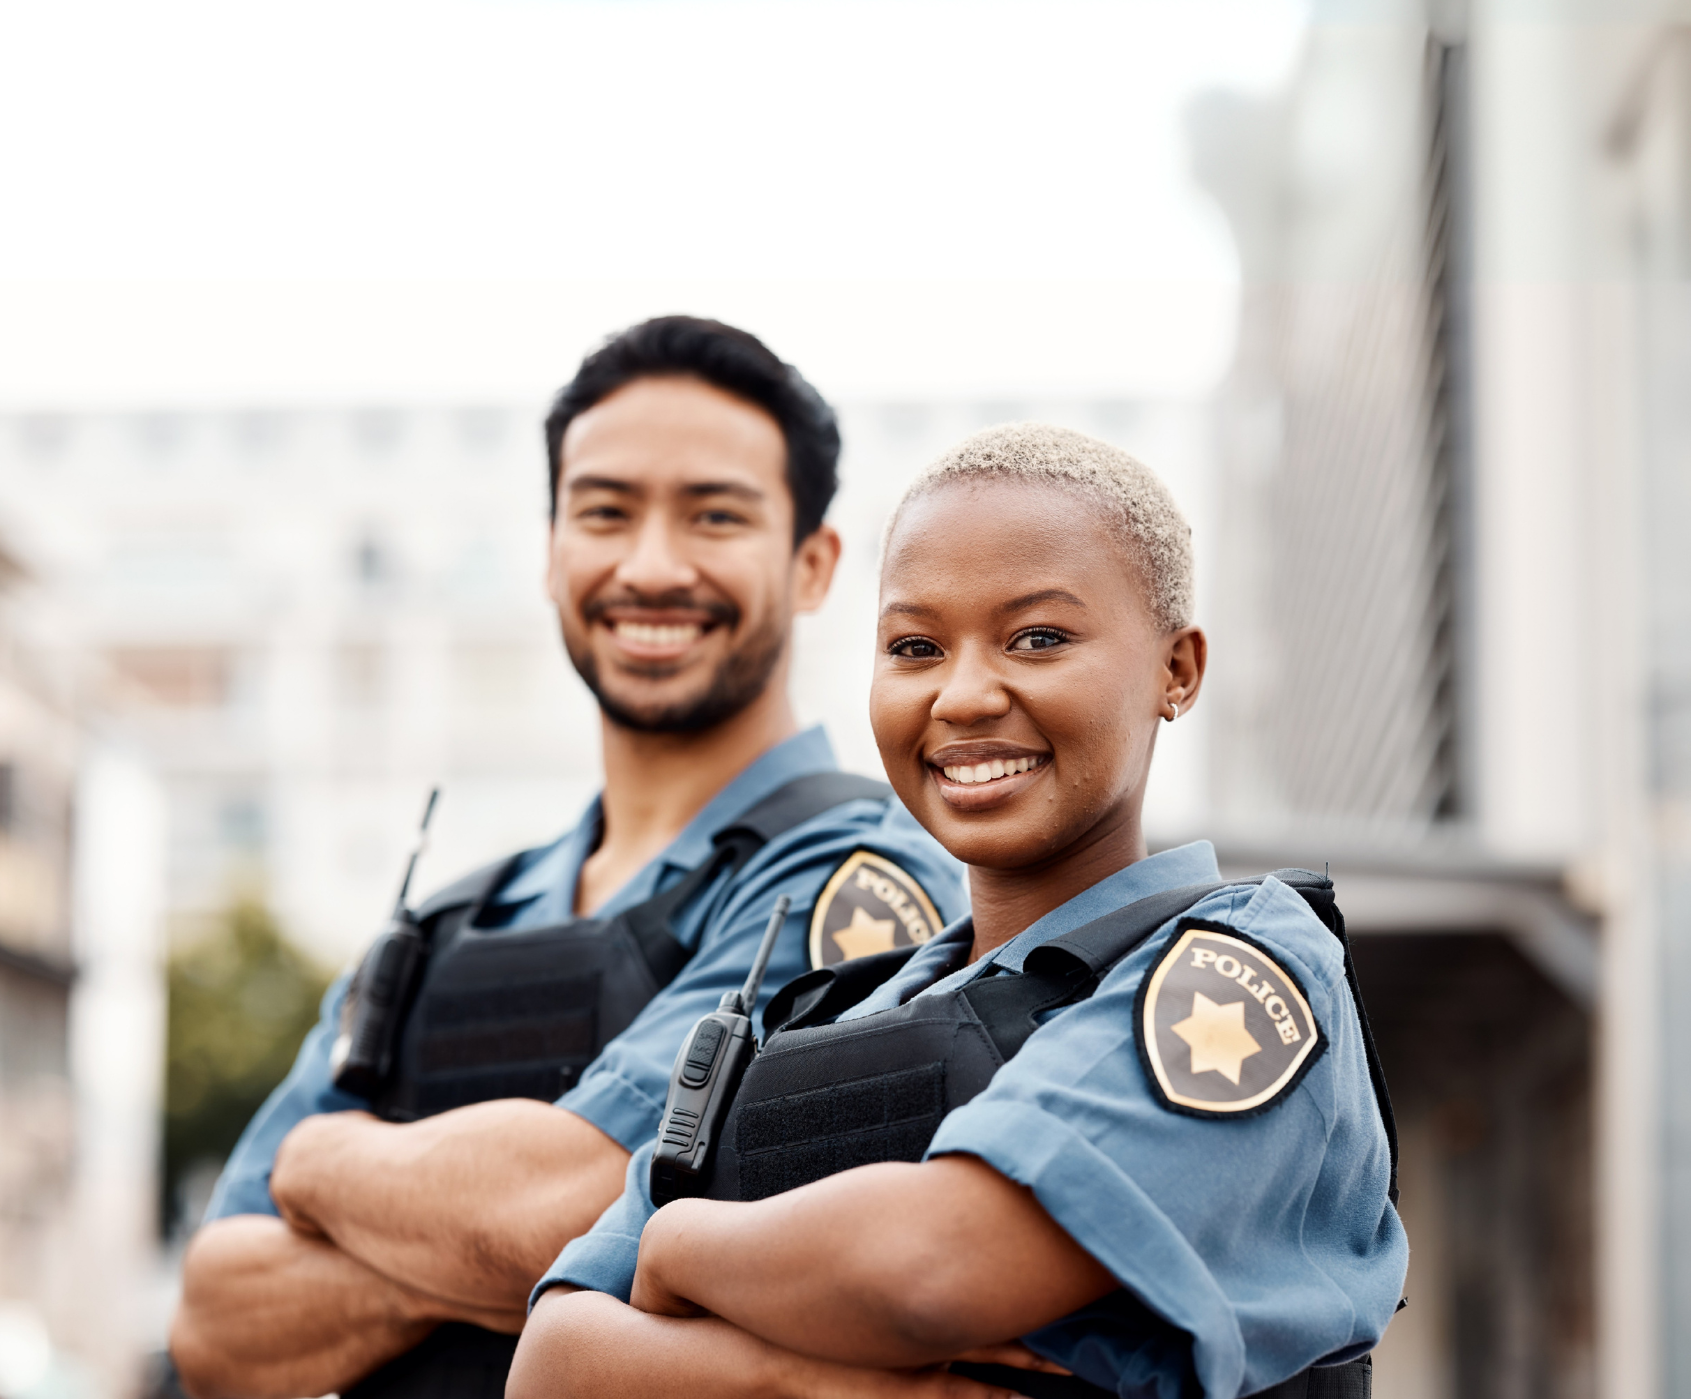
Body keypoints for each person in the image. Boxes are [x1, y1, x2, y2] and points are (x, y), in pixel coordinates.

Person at [511, 422, 1407, 1398]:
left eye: (1037, 637)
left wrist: (679, 1243)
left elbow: (934, 1266)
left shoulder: (1238, 964)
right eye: (914, 646)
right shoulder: (805, 1020)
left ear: (1175, 670)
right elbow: (552, 1359)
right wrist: (816, 1380)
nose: (964, 693)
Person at [168, 317, 965, 1399]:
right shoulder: (450, 922)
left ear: (813, 563)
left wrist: (323, 1167)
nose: (648, 564)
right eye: (603, 510)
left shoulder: (861, 881)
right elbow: (216, 1324)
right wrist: (485, 1250)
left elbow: (559, 1208)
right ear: (550, 550)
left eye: (713, 514)